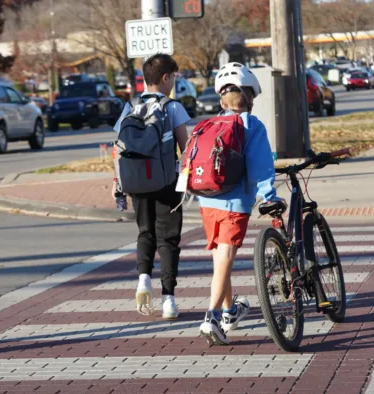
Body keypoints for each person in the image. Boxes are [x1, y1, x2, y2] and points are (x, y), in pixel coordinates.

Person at [197, 63, 285, 346]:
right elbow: (261, 167)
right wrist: (269, 197)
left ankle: (229, 312)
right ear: (249, 97)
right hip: (235, 203)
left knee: (219, 260)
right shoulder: (251, 125)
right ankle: (211, 317)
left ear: (222, 99)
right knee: (225, 258)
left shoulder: (207, 124)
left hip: (206, 199)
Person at [112, 54, 190, 319]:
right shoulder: (173, 107)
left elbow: (119, 148)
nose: (174, 84)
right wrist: (188, 181)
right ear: (165, 78)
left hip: (137, 180)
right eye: (174, 78)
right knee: (168, 240)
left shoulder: (130, 107)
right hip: (167, 182)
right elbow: (185, 149)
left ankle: (143, 279)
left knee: (145, 233)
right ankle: (169, 299)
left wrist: (118, 183)